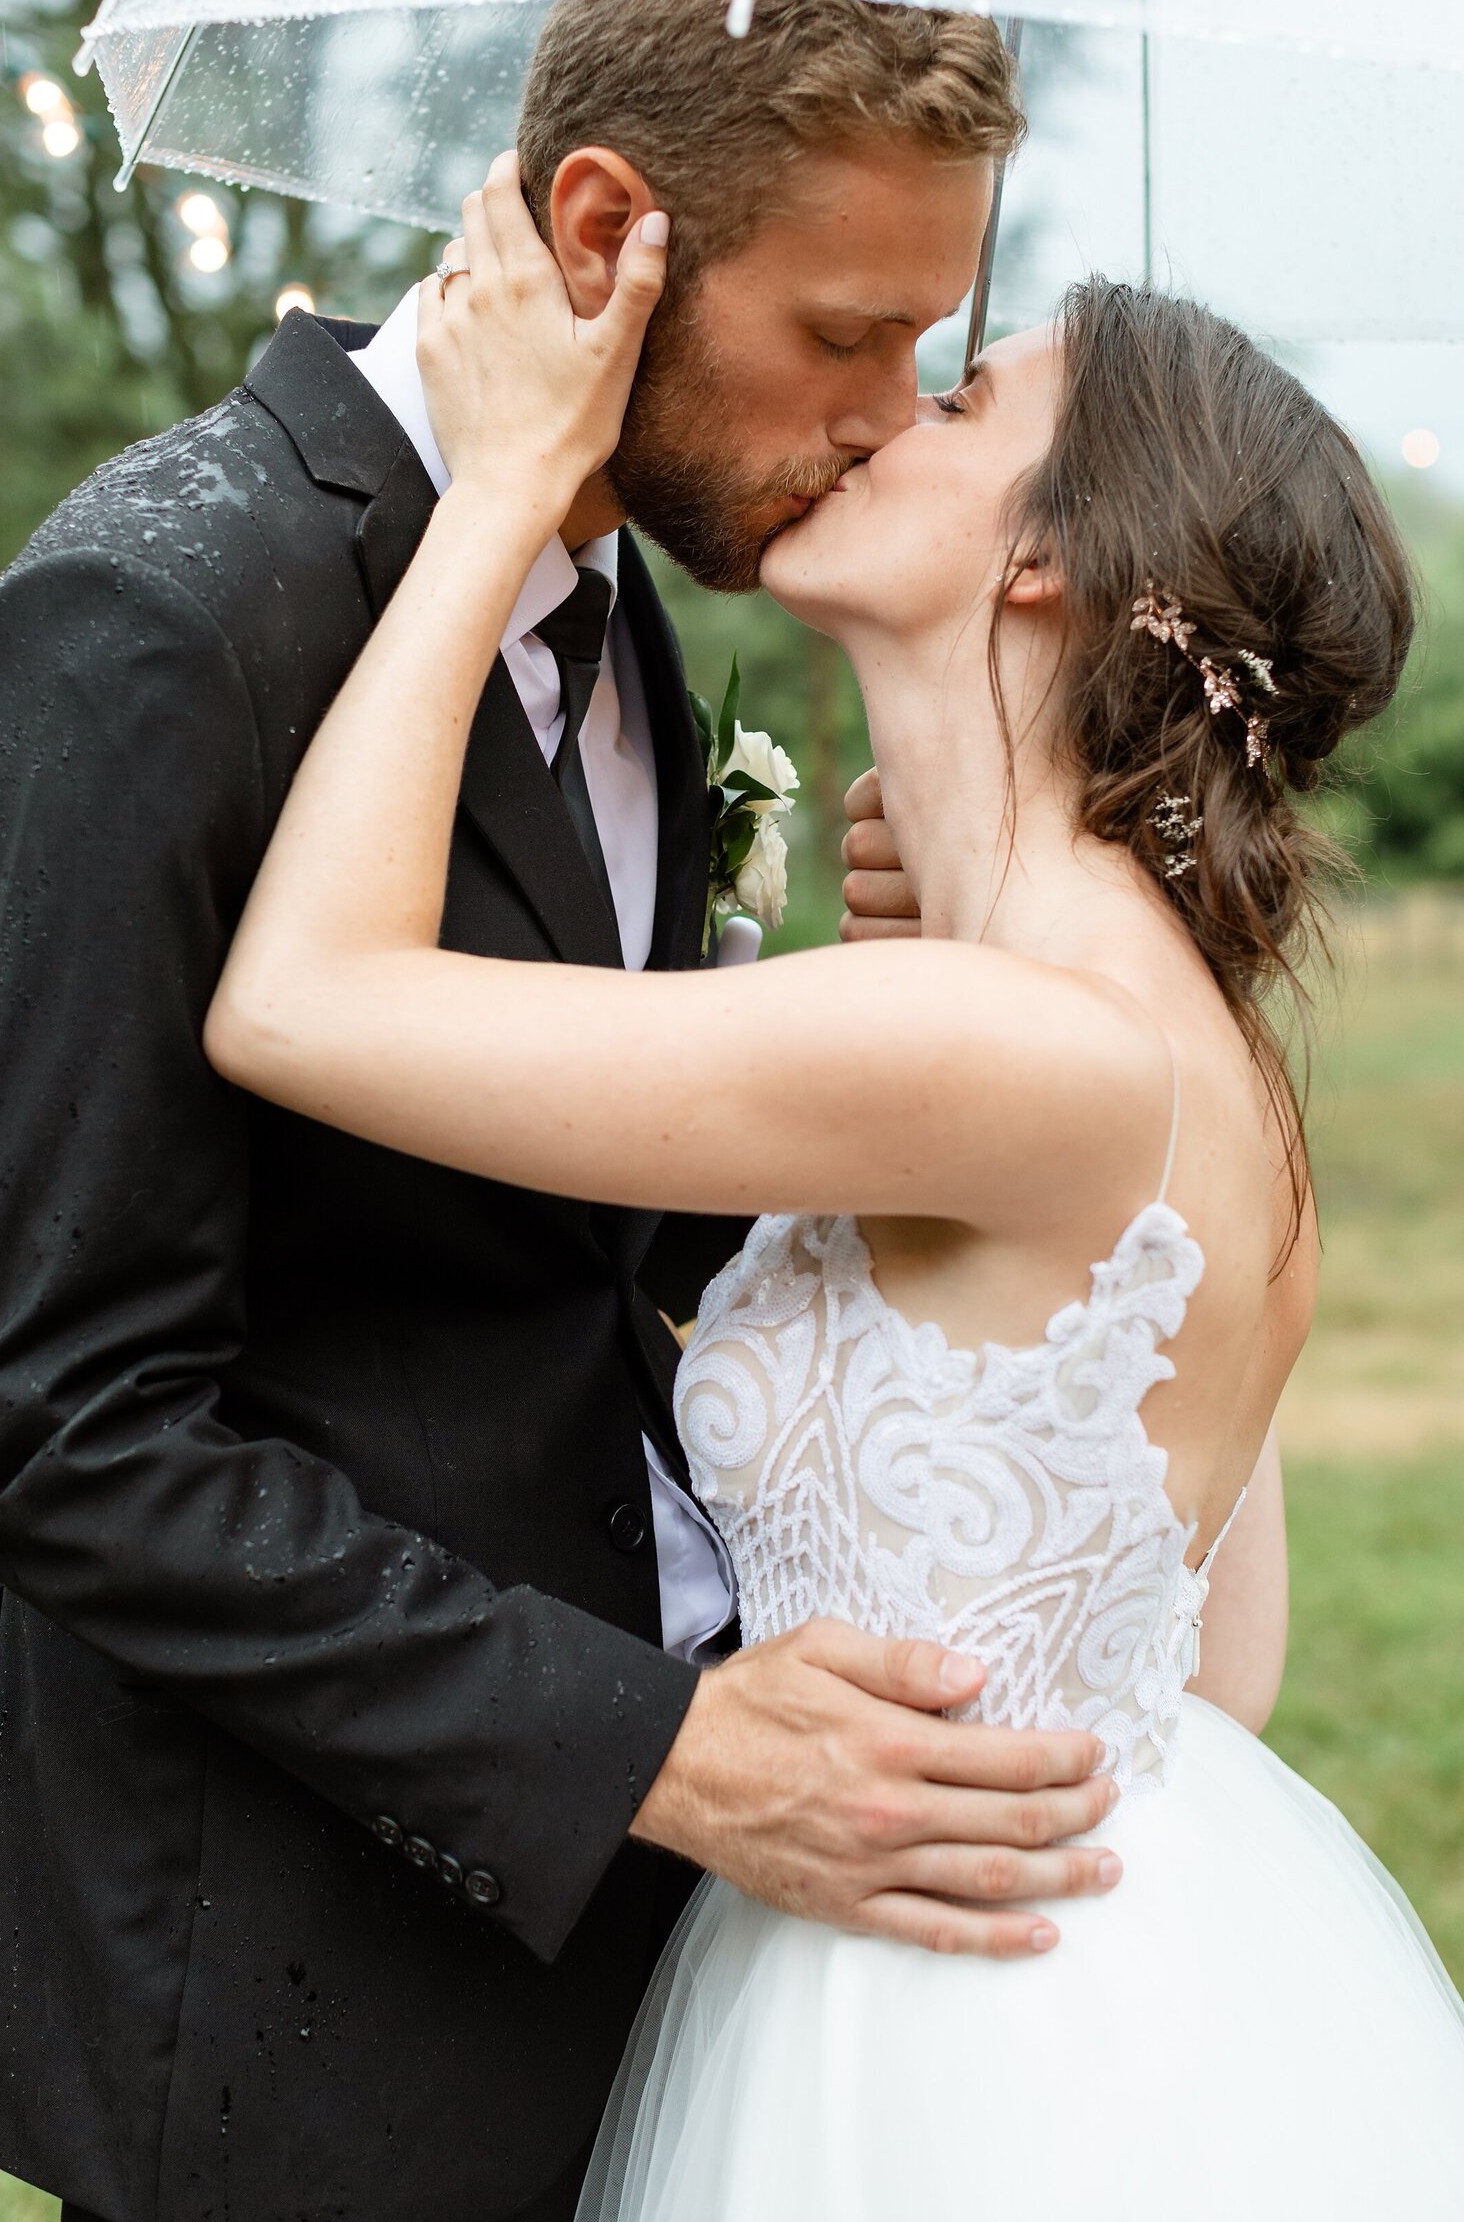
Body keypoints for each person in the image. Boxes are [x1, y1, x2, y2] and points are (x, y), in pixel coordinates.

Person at [0, 0, 1139, 2222]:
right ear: (604, 232)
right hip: (296, 1968)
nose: (879, 424)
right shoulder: (157, 615)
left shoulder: (615, 569)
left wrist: (863, 1027)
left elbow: (555, 1215)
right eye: (843, 337)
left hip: (626, 1942)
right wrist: (647, 1751)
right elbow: (61, 1426)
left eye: (923, 347)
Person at [204, 160, 1464, 2219]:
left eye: (967, 407)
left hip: (946, 2043)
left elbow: (303, 1001)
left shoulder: (1000, 1049)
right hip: (1099, 1972)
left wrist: (498, 487)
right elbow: (1205, 1672)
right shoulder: (1158, 1041)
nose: (890, 414)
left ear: (1054, 560)